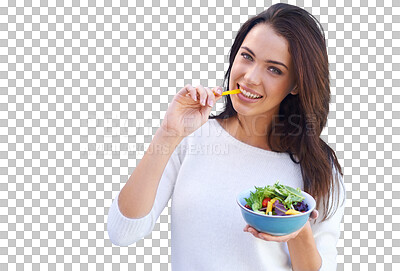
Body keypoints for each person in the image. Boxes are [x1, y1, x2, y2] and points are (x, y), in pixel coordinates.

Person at [107, 3, 345, 271]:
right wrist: (168, 133)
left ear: (297, 84)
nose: (251, 77)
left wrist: (298, 229)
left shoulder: (317, 167)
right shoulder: (191, 137)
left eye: (274, 69)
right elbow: (123, 232)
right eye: (247, 57)